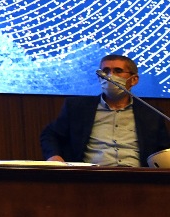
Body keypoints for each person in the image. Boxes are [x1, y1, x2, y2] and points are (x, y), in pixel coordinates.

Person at [40, 53, 170, 166]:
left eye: (118, 71)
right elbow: (50, 134)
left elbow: (163, 151)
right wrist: (54, 157)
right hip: (91, 177)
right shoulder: (77, 108)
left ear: (134, 80)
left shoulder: (151, 114)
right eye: (105, 71)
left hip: (137, 178)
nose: (110, 76)